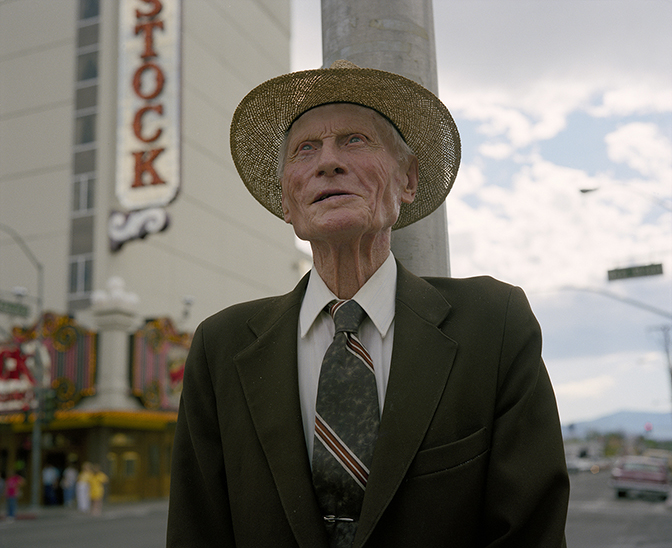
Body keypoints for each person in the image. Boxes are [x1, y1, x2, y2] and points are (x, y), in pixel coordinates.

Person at [167, 60, 569, 547]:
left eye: (355, 140)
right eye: (305, 149)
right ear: (287, 202)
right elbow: (197, 530)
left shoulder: (493, 323)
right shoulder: (221, 345)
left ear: (408, 180)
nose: (328, 162)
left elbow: (531, 532)